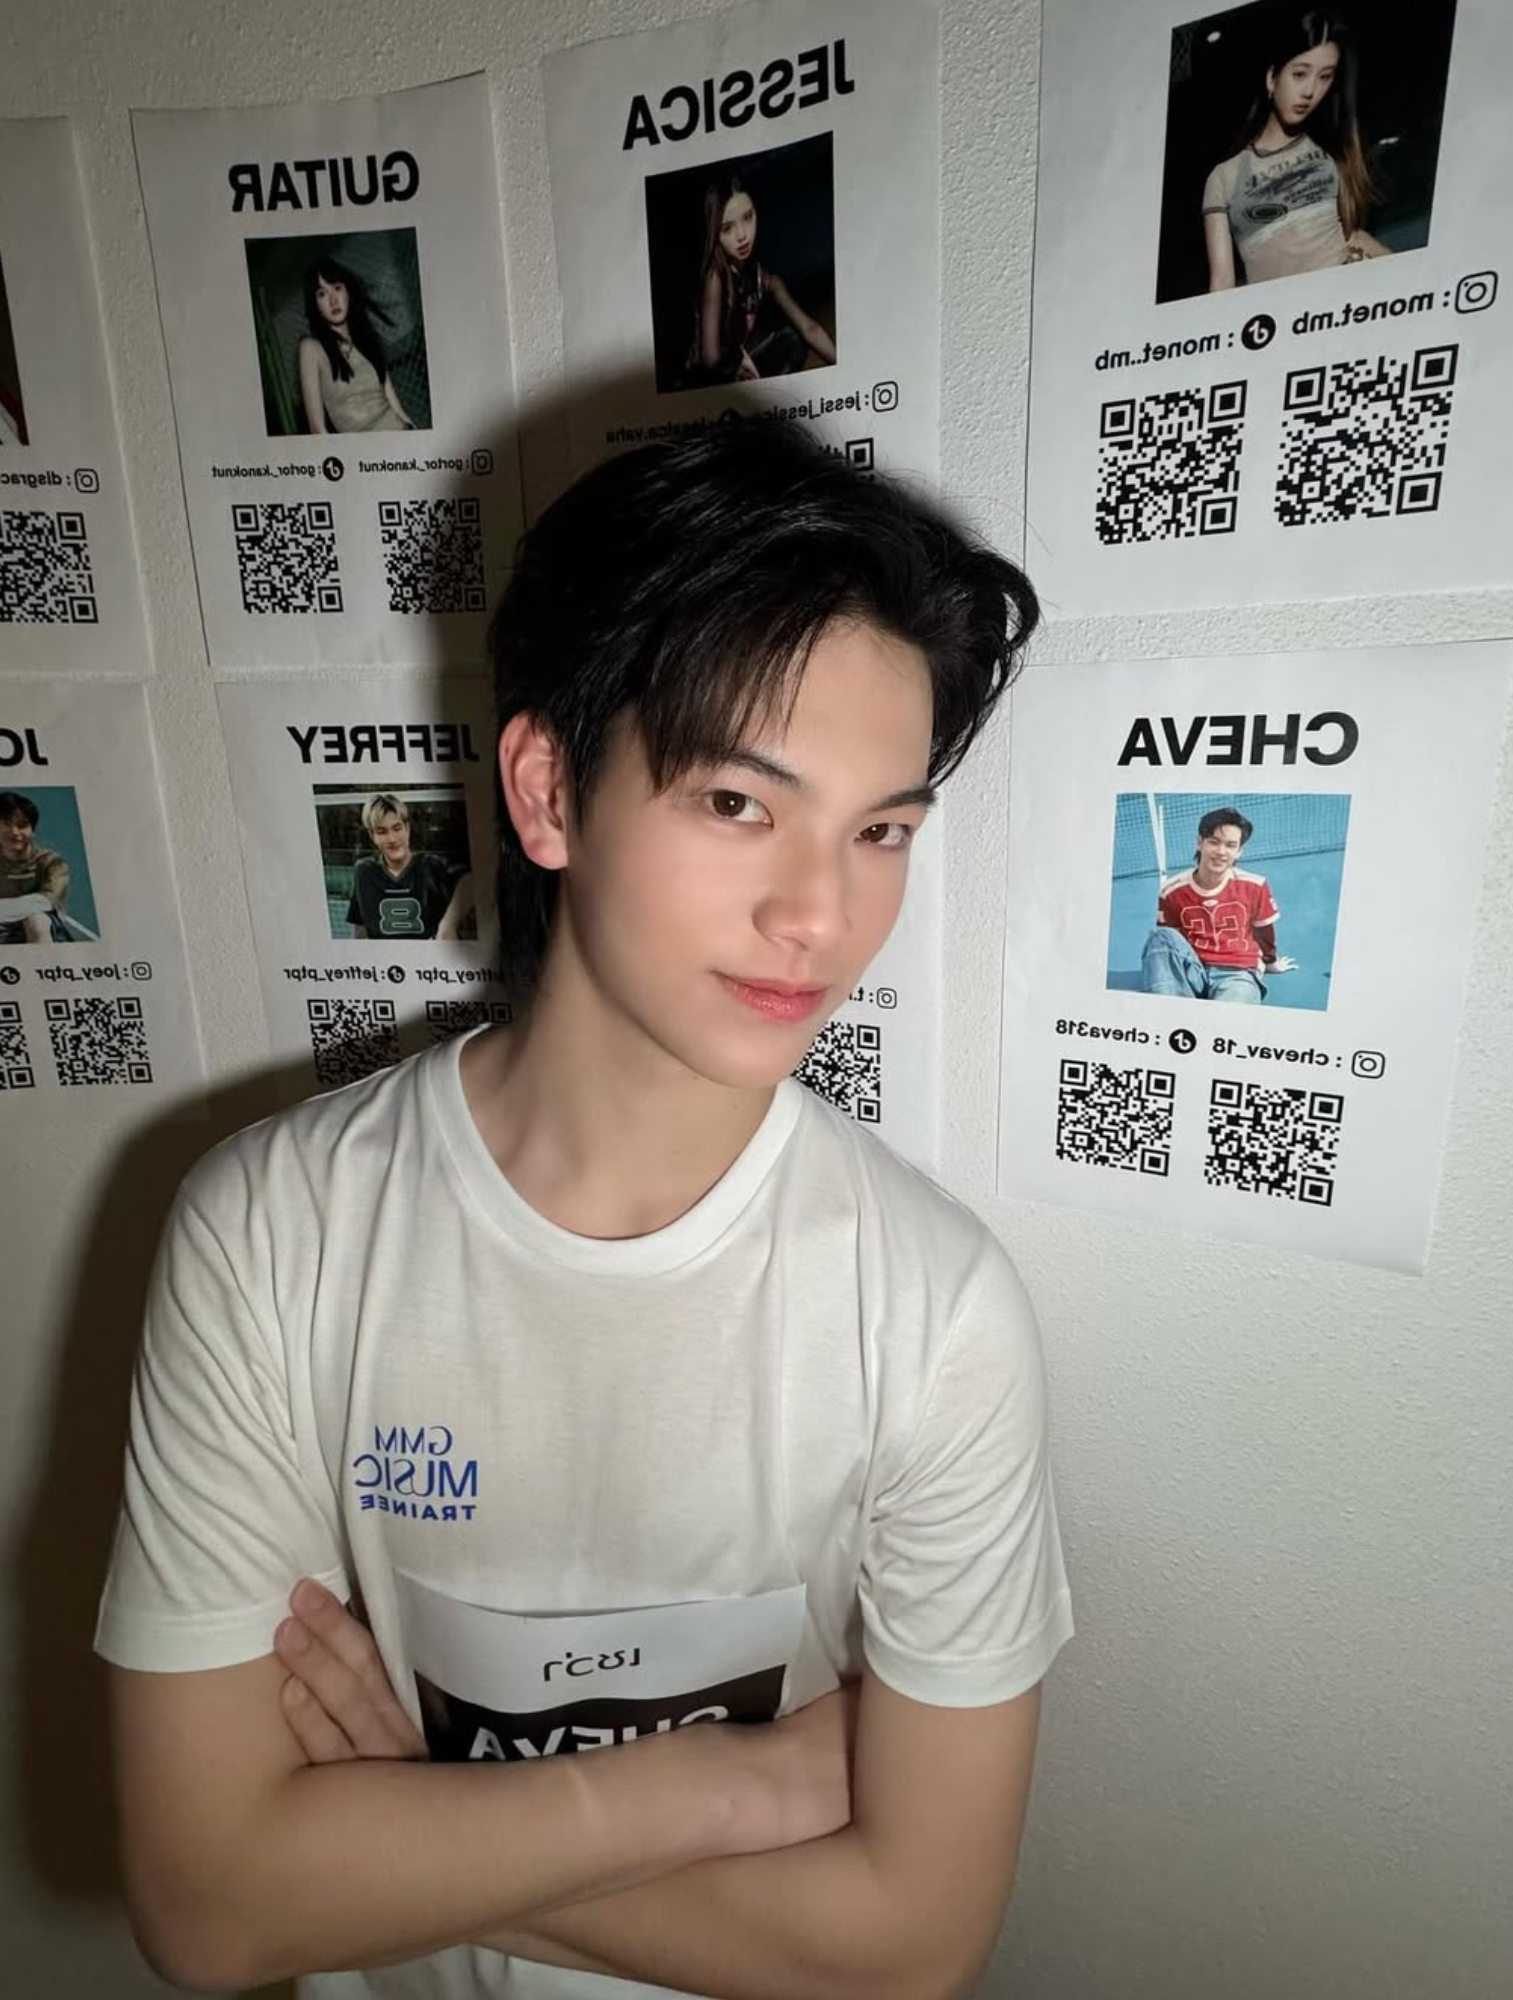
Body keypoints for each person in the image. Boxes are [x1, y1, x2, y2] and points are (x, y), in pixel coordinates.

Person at [96, 423, 1074, 2000]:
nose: (822, 914)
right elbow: (206, 1912)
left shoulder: (933, 1308)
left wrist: (404, 1819)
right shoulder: (275, 1232)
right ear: (549, 792)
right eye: (740, 804)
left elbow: (912, 1949)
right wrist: (717, 1787)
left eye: (881, 830)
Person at [1202, 8, 1390, 290]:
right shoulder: (1224, 177)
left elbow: (1350, 235)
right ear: (1271, 78)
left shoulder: (1332, 153)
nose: (1310, 91)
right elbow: (1222, 282)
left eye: (1325, 76)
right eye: (1300, 74)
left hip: (1347, 297)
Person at [684, 168, 838, 387]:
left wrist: (843, 366)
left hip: (739, 376)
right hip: (705, 387)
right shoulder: (714, 276)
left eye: (748, 217)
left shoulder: (762, 278)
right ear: (714, 232)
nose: (742, 235)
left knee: (793, 338)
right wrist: (738, 358)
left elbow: (809, 328)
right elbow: (710, 360)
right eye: (727, 228)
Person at [1141, 806, 1297, 1005]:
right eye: (1214, 842)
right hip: (1193, 968)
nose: (1221, 852)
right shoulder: (1171, 890)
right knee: (1160, 937)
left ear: (1239, 851)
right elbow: (1172, 943)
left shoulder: (1255, 886)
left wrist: (1271, 962)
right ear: (1200, 843)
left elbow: (1265, 932)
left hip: (1237, 972)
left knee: (1226, 1017)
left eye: (1231, 845)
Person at [298, 256, 417, 435]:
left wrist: (416, 434)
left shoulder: (366, 339)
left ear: (347, 292)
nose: (333, 300)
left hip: (401, 433)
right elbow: (317, 428)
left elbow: (394, 403)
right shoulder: (311, 349)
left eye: (337, 288)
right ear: (315, 305)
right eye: (322, 294)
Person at [344, 792, 474, 941]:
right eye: (382, 832)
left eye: (397, 828)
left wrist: (448, 925)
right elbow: (360, 928)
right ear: (372, 836)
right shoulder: (364, 871)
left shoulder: (432, 866)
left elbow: (471, 880)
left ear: (407, 828)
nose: (392, 839)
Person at [0, 789, 69, 944]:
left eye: (22, 825)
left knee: (37, 921)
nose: (14, 832)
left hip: (41, 927)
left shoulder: (52, 862)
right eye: (6, 823)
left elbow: (48, 900)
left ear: (33, 830)